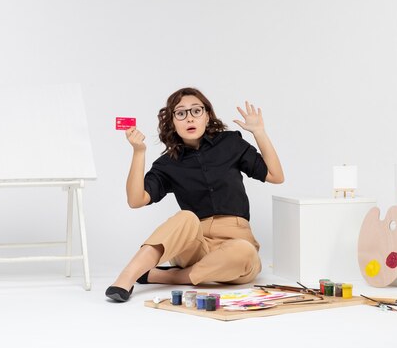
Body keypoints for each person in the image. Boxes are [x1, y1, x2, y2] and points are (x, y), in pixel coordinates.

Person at [105, 87, 285, 302]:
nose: (189, 118)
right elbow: (136, 200)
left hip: (235, 249)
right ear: (172, 122)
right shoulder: (167, 163)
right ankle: (126, 278)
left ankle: (167, 277)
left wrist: (259, 132)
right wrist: (138, 152)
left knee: (244, 251)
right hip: (194, 246)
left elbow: (276, 176)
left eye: (196, 111)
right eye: (181, 113)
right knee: (185, 217)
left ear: (207, 115)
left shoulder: (230, 143)